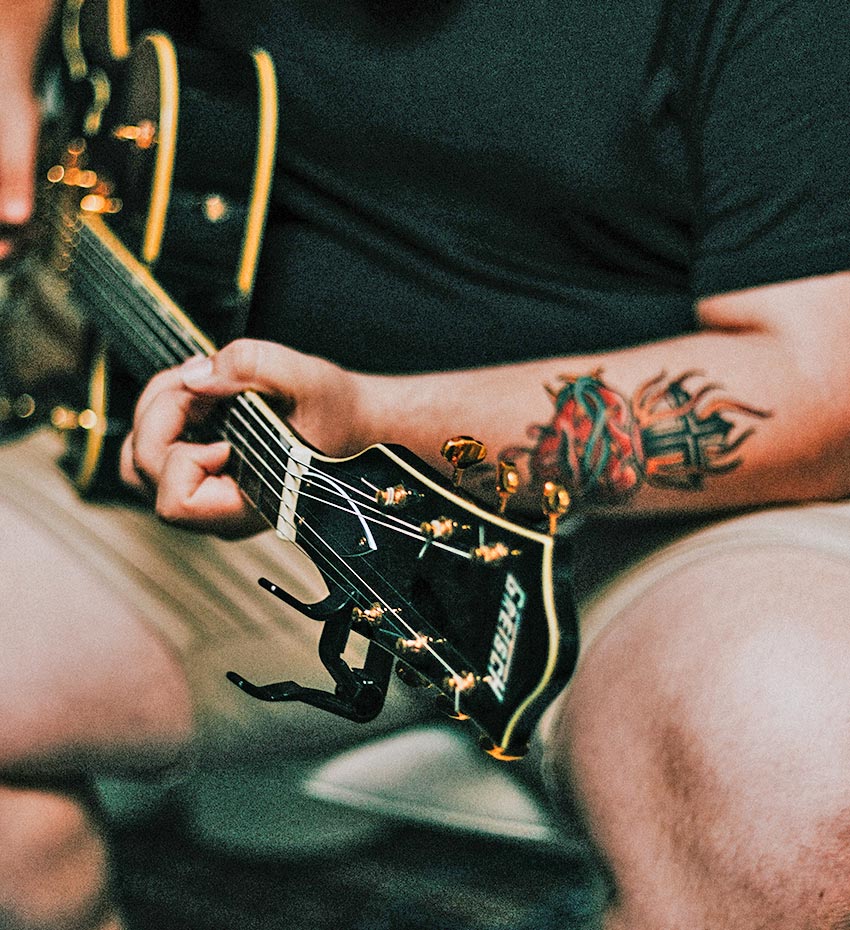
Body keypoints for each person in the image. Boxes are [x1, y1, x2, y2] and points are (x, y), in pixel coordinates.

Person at [3, 0, 850, 928]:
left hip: (666, 527)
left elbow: (813, 392)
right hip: (264, 490)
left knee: (802, 772)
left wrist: (381, 420)